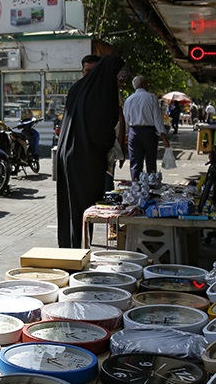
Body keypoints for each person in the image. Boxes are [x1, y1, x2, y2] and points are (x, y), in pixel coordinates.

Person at [56, 53, 126, 248]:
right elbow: (101, 131)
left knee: (71, 208)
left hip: (68, 154)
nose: (121, 80)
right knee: (86, 208)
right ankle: (79, 251)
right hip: (85, 157)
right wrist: (112, 147)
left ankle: (71, 249)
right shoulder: (101, 92)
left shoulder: (77, 88)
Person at [122, 76, 171, 180]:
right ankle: (151, 182)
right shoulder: (152, 98)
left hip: (134, 132)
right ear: (143, 84)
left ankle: (135, 183)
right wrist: (163, 136)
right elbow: (157, 120)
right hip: (149, 132)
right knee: (151, 160)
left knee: (135, 160)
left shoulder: (129, 100)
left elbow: (126, 120)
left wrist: (124, 135)